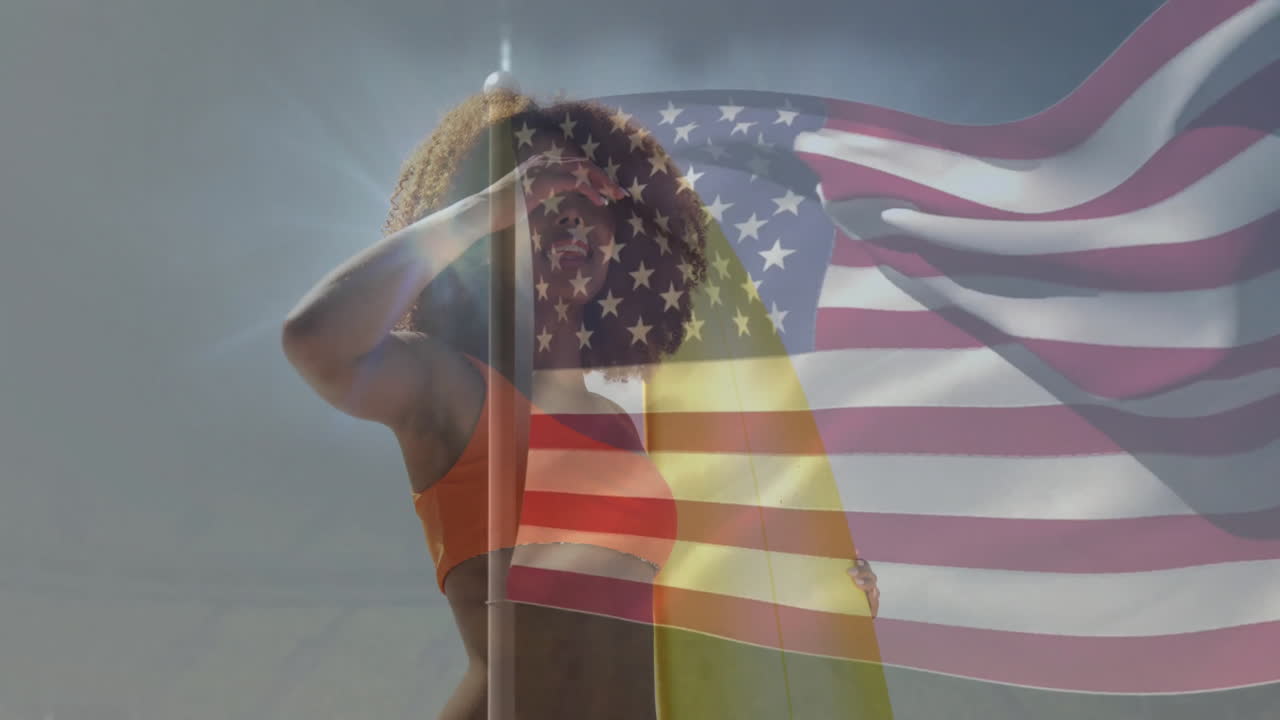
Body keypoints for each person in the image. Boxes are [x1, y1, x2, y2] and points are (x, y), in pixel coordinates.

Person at [282, 89, 880, 719]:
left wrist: (819, 603)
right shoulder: (448, 382)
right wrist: (487, 205)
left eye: (593, 196)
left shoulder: (616, 424)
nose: (569, 213)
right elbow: (315, 339)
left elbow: (650, 613)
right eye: (541, 191)